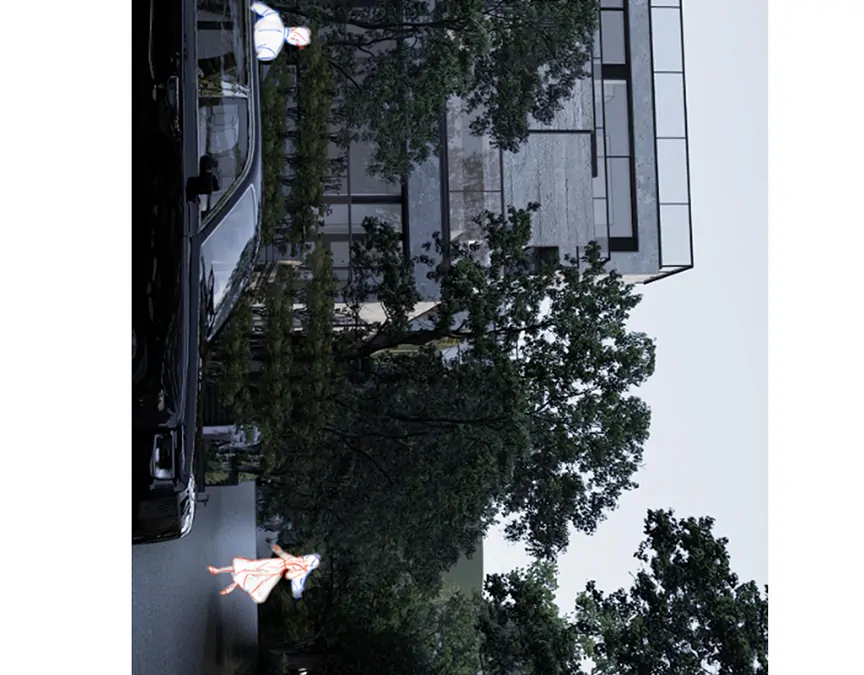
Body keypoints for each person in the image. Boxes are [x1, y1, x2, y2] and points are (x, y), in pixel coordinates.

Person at [208, 544, 321, 604]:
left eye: (309, 560)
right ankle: (218, 570)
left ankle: (232, 585)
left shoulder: (301, 570)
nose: (306, 559)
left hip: (275, 572)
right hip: (274, 564)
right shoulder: (298, 560)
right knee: (248, 566)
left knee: (255, 579)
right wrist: (279, 551)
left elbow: (289, 575)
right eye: (308, 558)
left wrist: (294, 572)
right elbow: (286, 556)